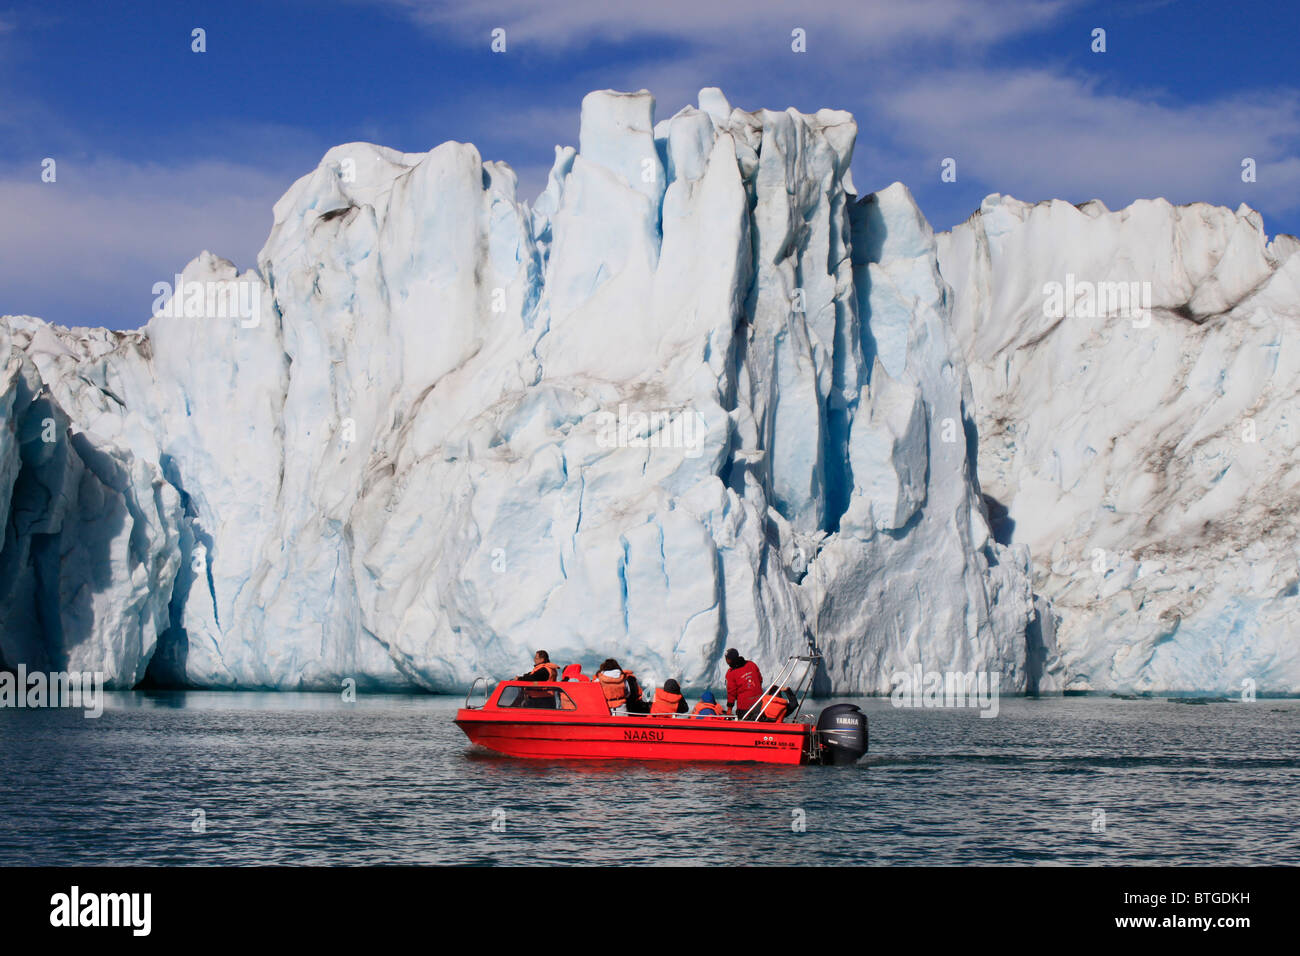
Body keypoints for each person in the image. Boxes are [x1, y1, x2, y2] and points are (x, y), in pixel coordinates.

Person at [724, 648, 763, 719]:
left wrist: (729, 709)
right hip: (759, 704)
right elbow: (760, 680)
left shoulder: (731, 673)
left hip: (744, 707)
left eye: (727, 658)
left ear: (729, 660)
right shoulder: (752, 664)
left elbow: (731, 692)